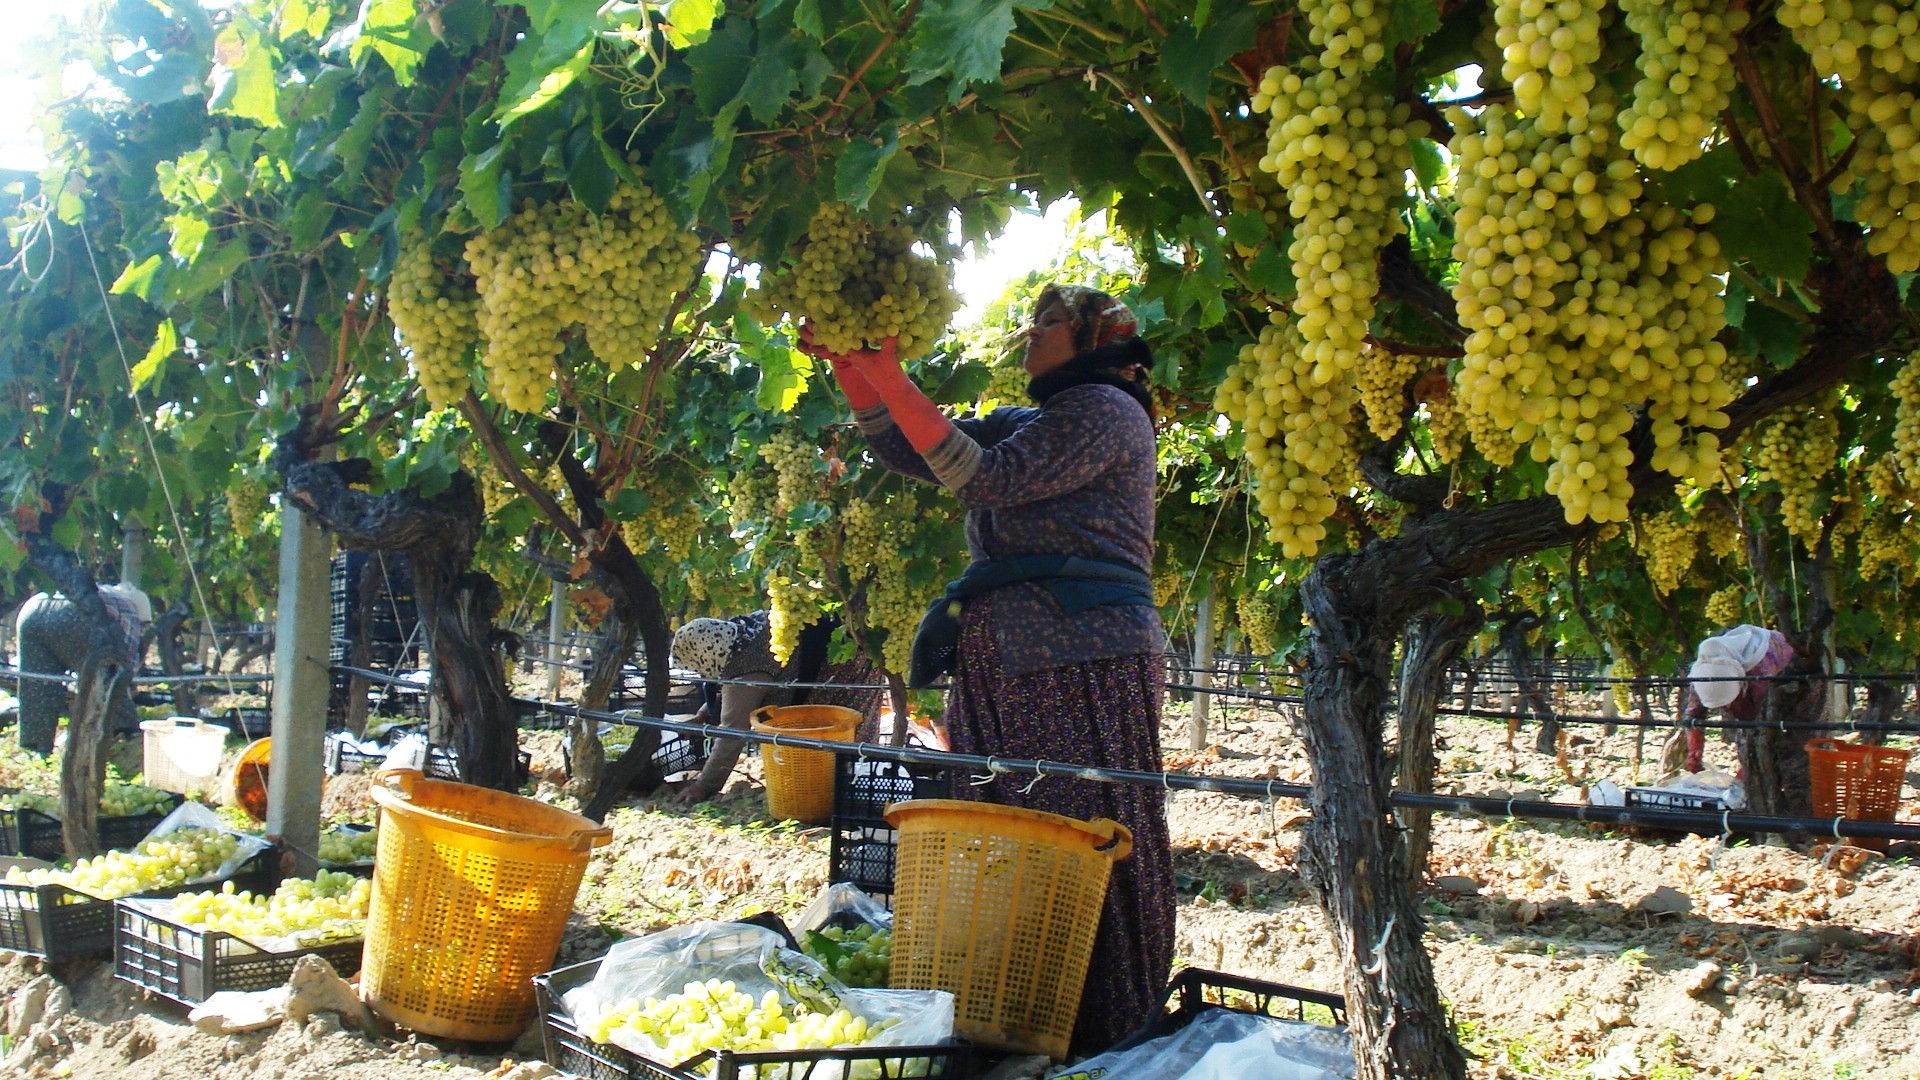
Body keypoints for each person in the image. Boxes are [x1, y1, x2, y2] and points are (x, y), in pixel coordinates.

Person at [800, 284, 1173, 1056]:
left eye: (1049, 324)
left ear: (1095, 339)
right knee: (1004, 835)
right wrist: (854, 368)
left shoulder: (1106, 413)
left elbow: (984, 479)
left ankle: (1105, 1032)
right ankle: (1018, 1011)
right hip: (1013, 659)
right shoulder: (1031, 421)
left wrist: (890, 370)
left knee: (1083, 833)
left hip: (1081, 657)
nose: (1029, 334)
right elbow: (910, 448)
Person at [669, 612, 882, 802]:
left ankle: (846, 801)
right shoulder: (743, 633)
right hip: (844, 654)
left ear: (705, 655)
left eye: (696, 665)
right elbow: (737, 697)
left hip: (840, 672)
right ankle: (847, 795)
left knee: (839, 741)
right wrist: (704, 715)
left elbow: (733, 731)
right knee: (840, 751)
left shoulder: (746, 668)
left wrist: (703, 786)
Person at [13, 583, 151, 754]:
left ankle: (38, 751)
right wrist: (128, 690)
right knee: (109, 683)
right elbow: (123, 666)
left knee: (38, 686)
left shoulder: (106, 595)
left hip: (33, 609)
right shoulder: (129, 611)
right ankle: (121, 744)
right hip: (72, 614)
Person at [1677, 623, 1795, 773]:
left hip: (1792, 693)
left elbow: (1764, 726)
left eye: (1731, 702)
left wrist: (1748, 770)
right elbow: (1693, 715)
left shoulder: (1762, 672)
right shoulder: (1703, 674)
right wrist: (1694, 753)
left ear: (1741, 683)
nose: (1728, 708)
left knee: (1785, 754)